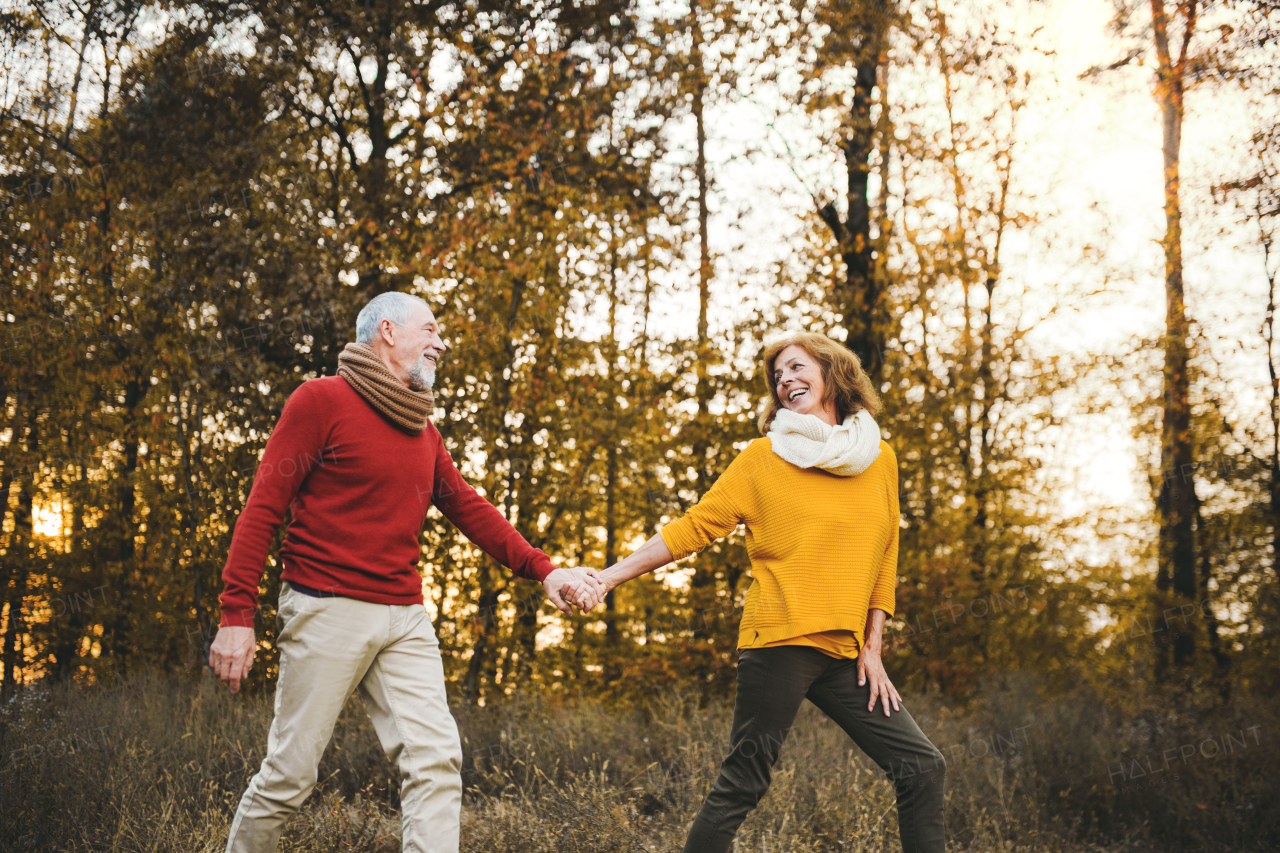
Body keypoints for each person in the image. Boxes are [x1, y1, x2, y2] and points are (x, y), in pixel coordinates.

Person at [208, 291, 604, 853]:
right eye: (431, 329)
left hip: (405, 617)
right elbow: (263, 507)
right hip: (327, 606)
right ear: (389, 332)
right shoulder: (320, 400)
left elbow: (469, 506)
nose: (441, 343)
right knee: (290, 777)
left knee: (436, 762)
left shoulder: (423, 430)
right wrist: (235, 613)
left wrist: (546, 571)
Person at [579, 332, 946, 853]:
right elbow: (693, 527)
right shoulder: (762, 457)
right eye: (777, 377)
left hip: (846, 653)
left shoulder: (878, 457)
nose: (785, 381)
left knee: (922, 767)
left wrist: (874, 646)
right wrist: (610, 576)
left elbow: (886, 553)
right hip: (779, 641)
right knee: (743, 783)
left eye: (796, 368)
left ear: (832, 371)